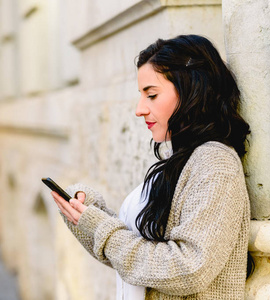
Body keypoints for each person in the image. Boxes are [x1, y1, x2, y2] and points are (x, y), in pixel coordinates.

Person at [52, 34, 252, 299]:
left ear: (191, 89)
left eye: (152, 95)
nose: (139, 109)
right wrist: (88, 215)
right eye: (141, 95)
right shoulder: (182, 159)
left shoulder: (215, 162)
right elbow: (137, 259)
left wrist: (102, 228)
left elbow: (190, 268)